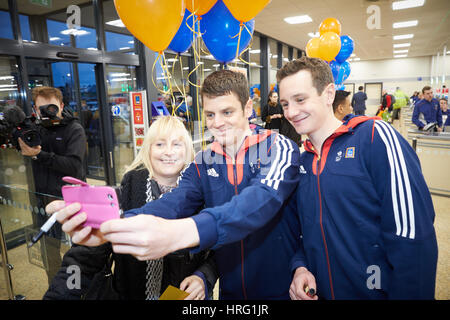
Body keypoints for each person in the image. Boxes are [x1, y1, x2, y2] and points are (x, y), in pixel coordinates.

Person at [46, 69, 301, 300]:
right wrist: (114, 223)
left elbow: (261, 199)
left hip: (281, 287)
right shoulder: (204, 161)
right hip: (231, 289)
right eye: (210, 114)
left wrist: (183, 233)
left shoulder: (277, 146)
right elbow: (175, 202)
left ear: (247, 108)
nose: (217, 123)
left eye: (227, 112)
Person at [278, 57, 438, 300]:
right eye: (284, 103)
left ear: (329, 93)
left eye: (300, 100)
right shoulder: (303, 162)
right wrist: (300, 267)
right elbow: (306, 233)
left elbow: (413, 237)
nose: (290, 112)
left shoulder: (374, 137)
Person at [43, 116, 218, 300]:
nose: (168, 152)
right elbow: (82, 259)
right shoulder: (124, 195)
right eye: (159, 144)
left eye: (177, 144)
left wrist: (204, 277)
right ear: (148, 149)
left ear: (188, 149)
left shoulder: (205, 194)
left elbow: (221, 247)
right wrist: (58, 295)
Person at [17, 86, 87, 286]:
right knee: (50, 251)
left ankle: (80, 290)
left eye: (52, 107)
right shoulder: (34, 130)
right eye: (42, 108)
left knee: (78, 248)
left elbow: (73, 166)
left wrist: (39, 154)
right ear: (35, 109)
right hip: (42, 198)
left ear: (62, 105)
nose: (48, 112)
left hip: (72, 200)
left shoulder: (74, 129)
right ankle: (56, 288)